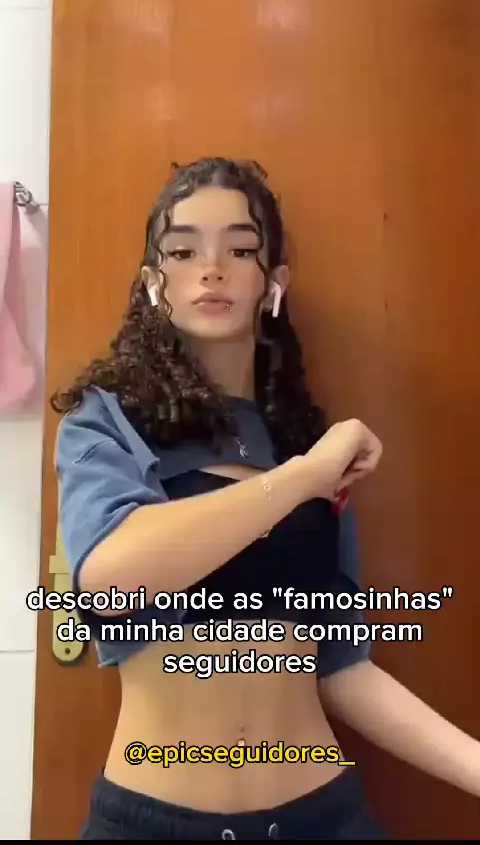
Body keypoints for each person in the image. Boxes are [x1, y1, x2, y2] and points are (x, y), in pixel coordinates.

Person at [53, 158, 480, 841]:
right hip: (155, 823)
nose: (212, 268)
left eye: (240, 249)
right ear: (154, 283)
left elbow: (340, 665)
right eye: (183, 250)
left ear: (272, 281)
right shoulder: (106, 422)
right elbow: (109, 580)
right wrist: (303, 480)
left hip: (323, 817)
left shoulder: (303, 441)